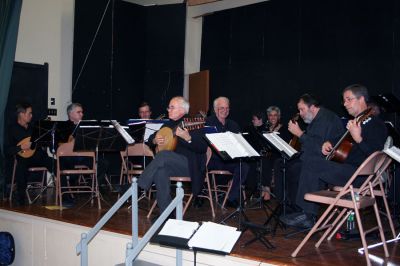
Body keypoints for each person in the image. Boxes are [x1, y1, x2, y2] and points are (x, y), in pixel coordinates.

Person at [282, 84, 388, 228]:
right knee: (311, 161)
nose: (345, 104)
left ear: (361, 99)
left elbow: (375, 155)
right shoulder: (356, 123)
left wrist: (359, 139)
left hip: (360, 176)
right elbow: (341, 140)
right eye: (344, 100)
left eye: (348, 99)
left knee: (311, 162)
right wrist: (329, 143)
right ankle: (305, 212)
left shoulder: (376, 124)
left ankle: (307, 214)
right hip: (347, 170)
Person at [274, 94, 344, 211]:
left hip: (324, 162)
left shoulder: (325, 120)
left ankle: (300, 209)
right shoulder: (317, 119)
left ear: (312, 107)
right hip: (313, 157)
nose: (300, 113)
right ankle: (284, 204)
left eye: (302, 109)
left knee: (293, 168)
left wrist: (300, 134)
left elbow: (320, 148)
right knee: (280, 163)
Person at [137, 96, 207, 212]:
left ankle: (138, 187)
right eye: (169, 107)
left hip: (190, 166)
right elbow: (150, 139)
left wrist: (188, 138)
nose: (168, 110)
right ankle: (167, 213)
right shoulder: (167, 125)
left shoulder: (193, 123)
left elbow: (202, 148)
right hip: (172, 165)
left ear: (182, 110)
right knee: (160, 171)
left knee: (163, 155)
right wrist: (155, 140)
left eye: (171, 107)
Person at [5, 103, 54, 205]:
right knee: (21, 168)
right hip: (23, 158)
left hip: (38, 157)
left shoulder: (34, 128)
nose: (31, 115)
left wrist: (46, 138)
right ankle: (21, 199)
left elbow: (43, 143)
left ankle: (65, 197)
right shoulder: (12, 129)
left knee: (55, 163)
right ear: (21, 114)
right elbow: (8, 150)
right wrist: (21, 147)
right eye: (29, 113)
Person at [206, 96, 249, 208]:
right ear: (215, 109)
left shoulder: (233, 124)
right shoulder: (208, 122)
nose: (225, 111)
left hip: (229, 160)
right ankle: (202, 195)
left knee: (243, 166)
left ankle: (231, 197)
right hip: (214, 159)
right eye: (221, 108)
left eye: (227, 108)